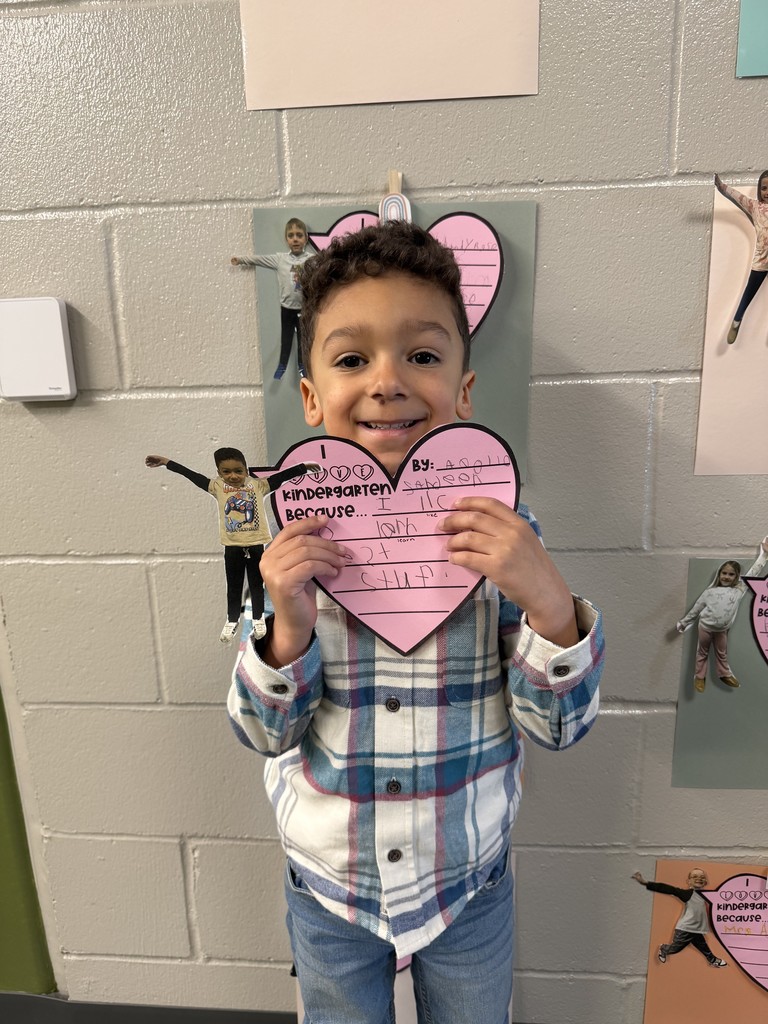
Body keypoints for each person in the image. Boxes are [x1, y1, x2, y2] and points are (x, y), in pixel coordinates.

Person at [227, 222, 605, 1024]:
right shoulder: (295, 541)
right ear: (311, 397)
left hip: (466, 880)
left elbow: (558, 728)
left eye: (423, 356)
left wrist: (547, 599)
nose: (388, 381)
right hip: (331, 884)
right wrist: (286, 630)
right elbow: (261, 733)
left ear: (464, 393)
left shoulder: (505, 534)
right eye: (352, 358)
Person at [145, 448, 316, 644]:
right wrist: (167, 462)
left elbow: (282, 477)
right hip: (232, 547)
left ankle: (258, 619)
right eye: (226, 472)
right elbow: (192, 475)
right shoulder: (217, 487)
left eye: (238, 471)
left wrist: (303, 468)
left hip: (255, 545)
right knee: (234, 587)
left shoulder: (258, 486)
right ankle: (232, 620)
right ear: (218, 472)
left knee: (257, 585)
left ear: (246, 470)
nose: (233, 476)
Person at [676, 537, 768, 692]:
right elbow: (696, 609)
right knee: (702, 653)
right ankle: (699, 677)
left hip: (721, 631)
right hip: (704, 628)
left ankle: (724, 673)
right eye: (724, 573)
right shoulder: (709, 592)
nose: (726, 576)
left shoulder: (739, 590)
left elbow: (754, 571)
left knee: (722, 653)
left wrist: (764, 555)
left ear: (737, 576)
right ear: (719, 574)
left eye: (731, 574)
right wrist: (684, 623)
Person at [231, 218, 315, 379]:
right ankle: (282, 366)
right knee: (286, 339)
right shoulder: (280, 259)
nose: (295, 239)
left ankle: (302, 366)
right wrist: (240, 260)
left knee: (303, 340)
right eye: (291, 235)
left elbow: (330, 266)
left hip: (305, 309)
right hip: (287, 309)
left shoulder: (312, 259)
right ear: (286, 239)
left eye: (299, 235)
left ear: (305, 238)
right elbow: (259, 260)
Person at [631, 869, 727, 968]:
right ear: (689, 881)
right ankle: (664, 949)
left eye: (702, 877)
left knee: (703, 946)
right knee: (675, 949)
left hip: (697, 929)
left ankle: (712, 960)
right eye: (695, 877)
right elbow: (670, 889)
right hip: (685, 929)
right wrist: (646, 883)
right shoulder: (688, 894)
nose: (699, 879)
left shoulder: (707, 895)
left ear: (706, 881)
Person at [714, 172, 768, 344]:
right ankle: (737, 321)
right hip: (761, 262)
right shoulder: (754, 206)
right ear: (760, 190)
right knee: (748, 294)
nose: (767, 192)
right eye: (764, 188)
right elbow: (737, 197)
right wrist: (721, 186)